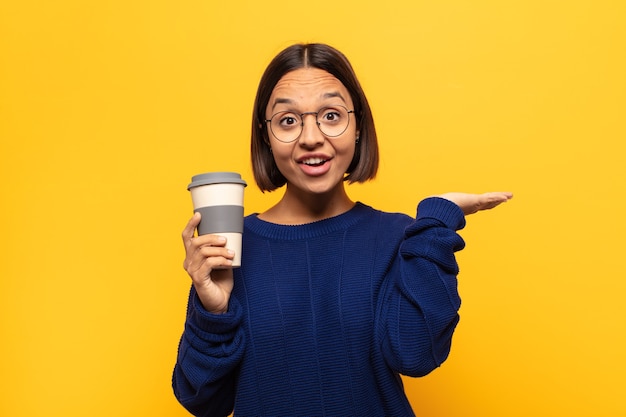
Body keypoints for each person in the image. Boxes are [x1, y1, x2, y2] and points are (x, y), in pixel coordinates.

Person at [172, 43, 512, 416]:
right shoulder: (232, 246)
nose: (311, 137)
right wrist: (213, 310)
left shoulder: (398, 236)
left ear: (359, 126)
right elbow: (202, 400)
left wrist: (435, 223)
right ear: (265, 136)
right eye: (288, 120)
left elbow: (414, 355)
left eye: (331, 115)